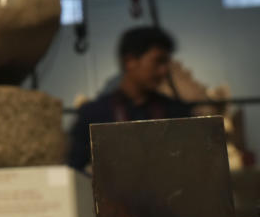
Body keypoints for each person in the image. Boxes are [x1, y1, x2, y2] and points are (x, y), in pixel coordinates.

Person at [67, 26, 192, 171]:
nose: (164, 71)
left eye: (166, 63)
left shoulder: (177, 111)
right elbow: (75, 169)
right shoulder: (94, 114)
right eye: (158, 61)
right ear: (130, 61)